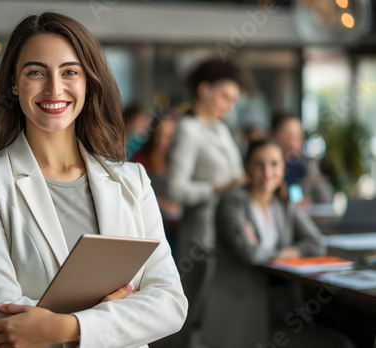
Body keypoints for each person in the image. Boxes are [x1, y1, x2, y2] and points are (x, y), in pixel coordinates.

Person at [0, 12, 187, 348]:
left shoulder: (131, 179)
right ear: (14, 84)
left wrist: (70, 328)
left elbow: (171, 304)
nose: (54, 88)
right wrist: (112, 319)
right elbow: (0, 320)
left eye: (70, 72)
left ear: (88, 81)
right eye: (36, 72)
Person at [199, 139, 325, 347]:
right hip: (240, 305)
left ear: (283, 168)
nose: (267, 172)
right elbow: (248, 253)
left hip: (280, 304)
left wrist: (276, 252)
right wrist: (284, 252)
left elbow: (317, 243)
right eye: (259, 164)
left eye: (274, 164)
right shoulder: (232, 201)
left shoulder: (284, 204)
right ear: (247, 166)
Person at [167, 58, 251, 346]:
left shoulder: (222, 129)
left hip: (228, 231)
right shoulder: (188, 129)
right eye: (225, 96)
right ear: (204, 89)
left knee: (217, 312)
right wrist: (218, 187)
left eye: (234, 100)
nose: (229, 105)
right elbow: (176, 189)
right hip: (200, 235)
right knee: (192, 311)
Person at [132, 113, 182, 256]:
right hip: (151, 221)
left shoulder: (177, 159)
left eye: (168, 136)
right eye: (159, 134)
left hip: (177, 224)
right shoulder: (140, 158)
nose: (162, 141)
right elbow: (136, 192)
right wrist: (164, 204)